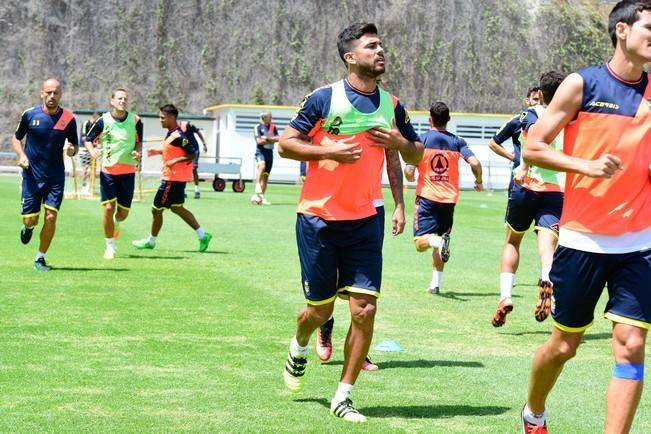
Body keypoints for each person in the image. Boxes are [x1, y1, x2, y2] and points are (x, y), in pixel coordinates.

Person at [278, 22, 423, 422]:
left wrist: (400, 145)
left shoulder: (391, 104)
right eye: (372, 46)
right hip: (318, 217)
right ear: (350, 57)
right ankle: (300, 341)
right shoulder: (324, 99)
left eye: (382, 46)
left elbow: (415, 154)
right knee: (319, 311)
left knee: (364, 310)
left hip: (364, 218)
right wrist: (329, 152)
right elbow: (286, 143)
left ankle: (342, 396)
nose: (381, 52)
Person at [520, 2, 651, 432]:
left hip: (639, 243)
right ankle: (534, 411)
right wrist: (586, 166)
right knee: (563, 346)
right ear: (622, 30)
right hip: (581, 242)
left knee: (632, 345)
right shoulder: (582, 84)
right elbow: (533, 147)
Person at [490, 71, 566, 328]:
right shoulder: (571, 117)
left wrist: (520, 164)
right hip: (555, 188)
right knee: (548, 244)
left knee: (512, 241)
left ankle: (505, 296)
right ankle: (546, 277)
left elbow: (532, 137)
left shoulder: (528, 114)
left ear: (540, 94)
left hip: (525, 186)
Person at [403, 101, 483, 294]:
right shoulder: (458, 142)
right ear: (448, 119)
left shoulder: (421, 141)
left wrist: (409, 174)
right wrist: (478, 180)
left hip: (427, 198)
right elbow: (475, 162)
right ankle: (435, 284)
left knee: (421, 243)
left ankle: (438, 243)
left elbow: (409, 168)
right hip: (449, 200)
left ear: (430, 119)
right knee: (441, 238)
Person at [11, 78, 78, 271]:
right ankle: (28, 227)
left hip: (55, 177)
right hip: (32, 175)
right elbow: (16, 139)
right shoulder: (30, 115)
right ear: (42, 93)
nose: (52, 96)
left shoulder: (68, 118)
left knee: (50, 217)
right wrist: (22, 155)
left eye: (55, 92)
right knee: (30, 219)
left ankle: (40, 258)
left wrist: (72, 149)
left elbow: (74, 145)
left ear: (61, 94)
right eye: (48, 92)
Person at [131, 104, 213, 252]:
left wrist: (175, 162)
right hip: (176, 179)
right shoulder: (171, 134)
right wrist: (157, 152)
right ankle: (203, 235)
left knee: (156, 210)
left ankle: (151, 241)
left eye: (162, 118)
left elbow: (192, 153)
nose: (160, 120)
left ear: (171, 117)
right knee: (177, 208)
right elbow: (173, 152)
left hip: (172, 180)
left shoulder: (178, 136)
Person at [84, 88, 142, 260]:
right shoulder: (103, 120)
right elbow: (88, 139)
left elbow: (139, 143)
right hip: (108, 171)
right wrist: (92, 150)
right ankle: (109, 246)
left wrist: (137, 153)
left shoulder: (136, 120)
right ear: (112, 101)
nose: (122, 101)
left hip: (128, 172)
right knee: (108, 208)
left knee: (122, 214)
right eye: (119, 98)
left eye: (125, 98)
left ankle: (115, 224)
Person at [487, 87, 539, 182]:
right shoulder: (518, 120)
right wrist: (514, 158)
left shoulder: (551, 121)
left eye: (540, 99)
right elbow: (492, 143)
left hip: (543, 178)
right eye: (535, 99)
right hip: (520, 178)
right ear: (527, 101)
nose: (538, 103)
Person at [251, 111, 279, 205]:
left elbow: (278, 138)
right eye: (269, 117)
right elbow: (259, 141)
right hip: (261, 152)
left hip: (269, 153)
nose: (271, 119)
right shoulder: (257, 127)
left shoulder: (273, 127)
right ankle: (257, 185)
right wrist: (271, 140)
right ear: (264, 118)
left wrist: (267, 139)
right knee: (261, 166)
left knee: (266, 175)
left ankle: (261, 197)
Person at [180, 121, 208, 199]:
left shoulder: (190, 125)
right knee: (184, 169)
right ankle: (184, 191)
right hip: (186, 151)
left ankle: (197, 190)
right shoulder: (177, 128)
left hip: (194, 149)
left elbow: (199, 133)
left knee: (194, 168)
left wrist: (204, 144)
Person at [78, 112, 100, 194]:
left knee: (93, 168)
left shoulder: (96, 127)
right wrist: (94, 144)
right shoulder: (86, 124)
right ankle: (83, 186)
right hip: (84, 149)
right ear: (95, 117)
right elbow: (84, 138)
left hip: (92, 149)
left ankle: (91, 187)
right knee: (85, 168)